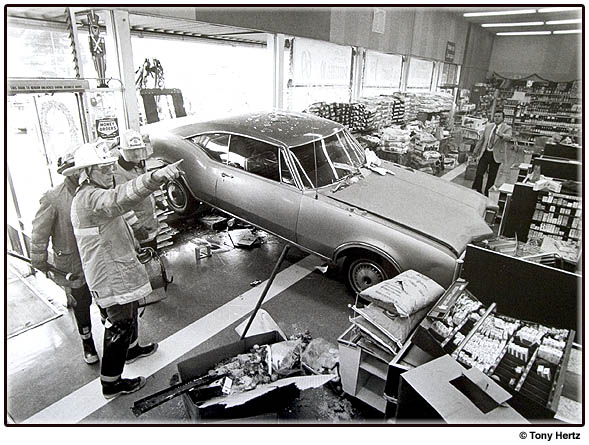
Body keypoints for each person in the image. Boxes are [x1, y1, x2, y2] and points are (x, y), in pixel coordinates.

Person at [64, 140, 183, 399]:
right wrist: (155, 177)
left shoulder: (94, 192)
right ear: (86, 173)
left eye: (109, 167)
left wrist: (137, 232)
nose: (109, 172)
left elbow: (119, 211)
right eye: (102, 169)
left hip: (117, 266)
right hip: (109, 274)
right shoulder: (89, 198)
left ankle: (131, 350)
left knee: (130, 312)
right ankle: (111, 383)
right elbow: (119, 198)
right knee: (120, 323)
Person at [30, 152, 99, 365]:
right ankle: (87, 343)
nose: (78, 173)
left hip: (96, 255)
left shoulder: (94, 190)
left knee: (104, 297)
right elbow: (40, 231)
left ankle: (117, 337)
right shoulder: (53, 198)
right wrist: (38, 258)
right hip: (72, 261)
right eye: (73, 169)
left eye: (81, 168)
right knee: (81, 302)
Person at [113, 130, 159, 250]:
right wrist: (136, 226)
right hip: (138, 229)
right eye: (133, 152)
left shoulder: (139, 165)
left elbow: (146, 184)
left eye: (139, 150)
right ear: (123, 151)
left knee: (154, 255)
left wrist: (156, 199)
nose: (138, 155)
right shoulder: (118, 174)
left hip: (149, 223)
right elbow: (122, 204)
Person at [471, 110, 513, 196]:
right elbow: (482, 140)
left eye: (499, 116)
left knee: (492, 176)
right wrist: (475, 151)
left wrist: (502, 135)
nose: (496, 118)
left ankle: (487, 193)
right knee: (479, 172)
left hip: (496, 155)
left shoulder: (507, 128)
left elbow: (509, 137)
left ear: (503, 118)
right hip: (486, 152)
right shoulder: (489, 126)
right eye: (495, 116)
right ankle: (477, 190)